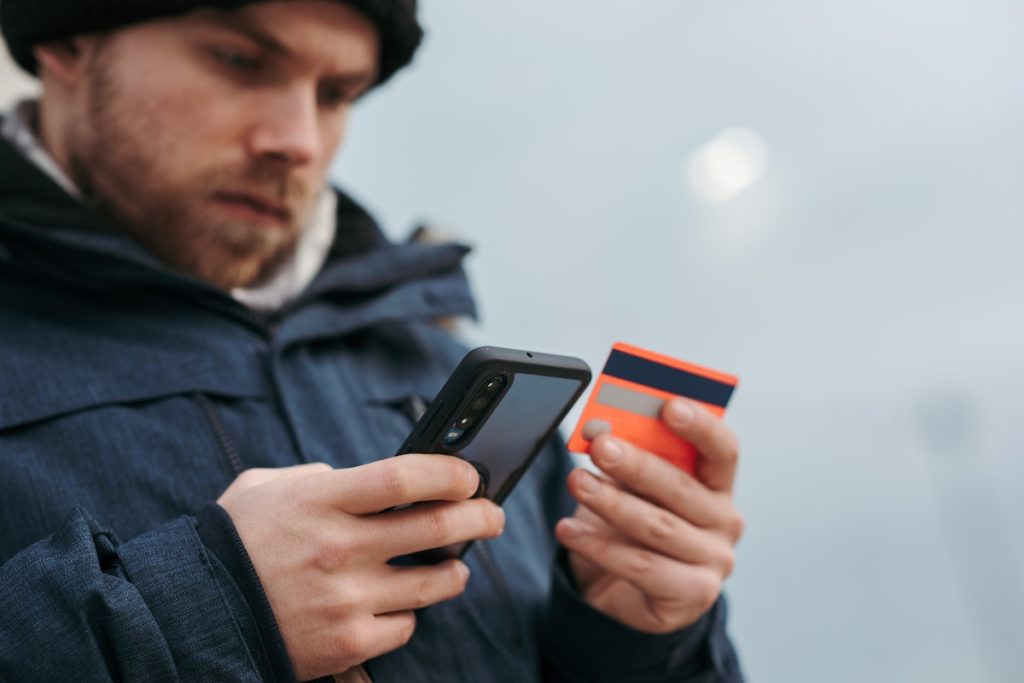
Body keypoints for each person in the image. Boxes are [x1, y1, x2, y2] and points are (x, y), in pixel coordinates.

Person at [0, 1, 746, 681]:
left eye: (336, 94)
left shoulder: (429, 354)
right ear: (69, 39)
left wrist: (638, 639)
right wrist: (203, 607)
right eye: (240, 61)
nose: (296, 141)